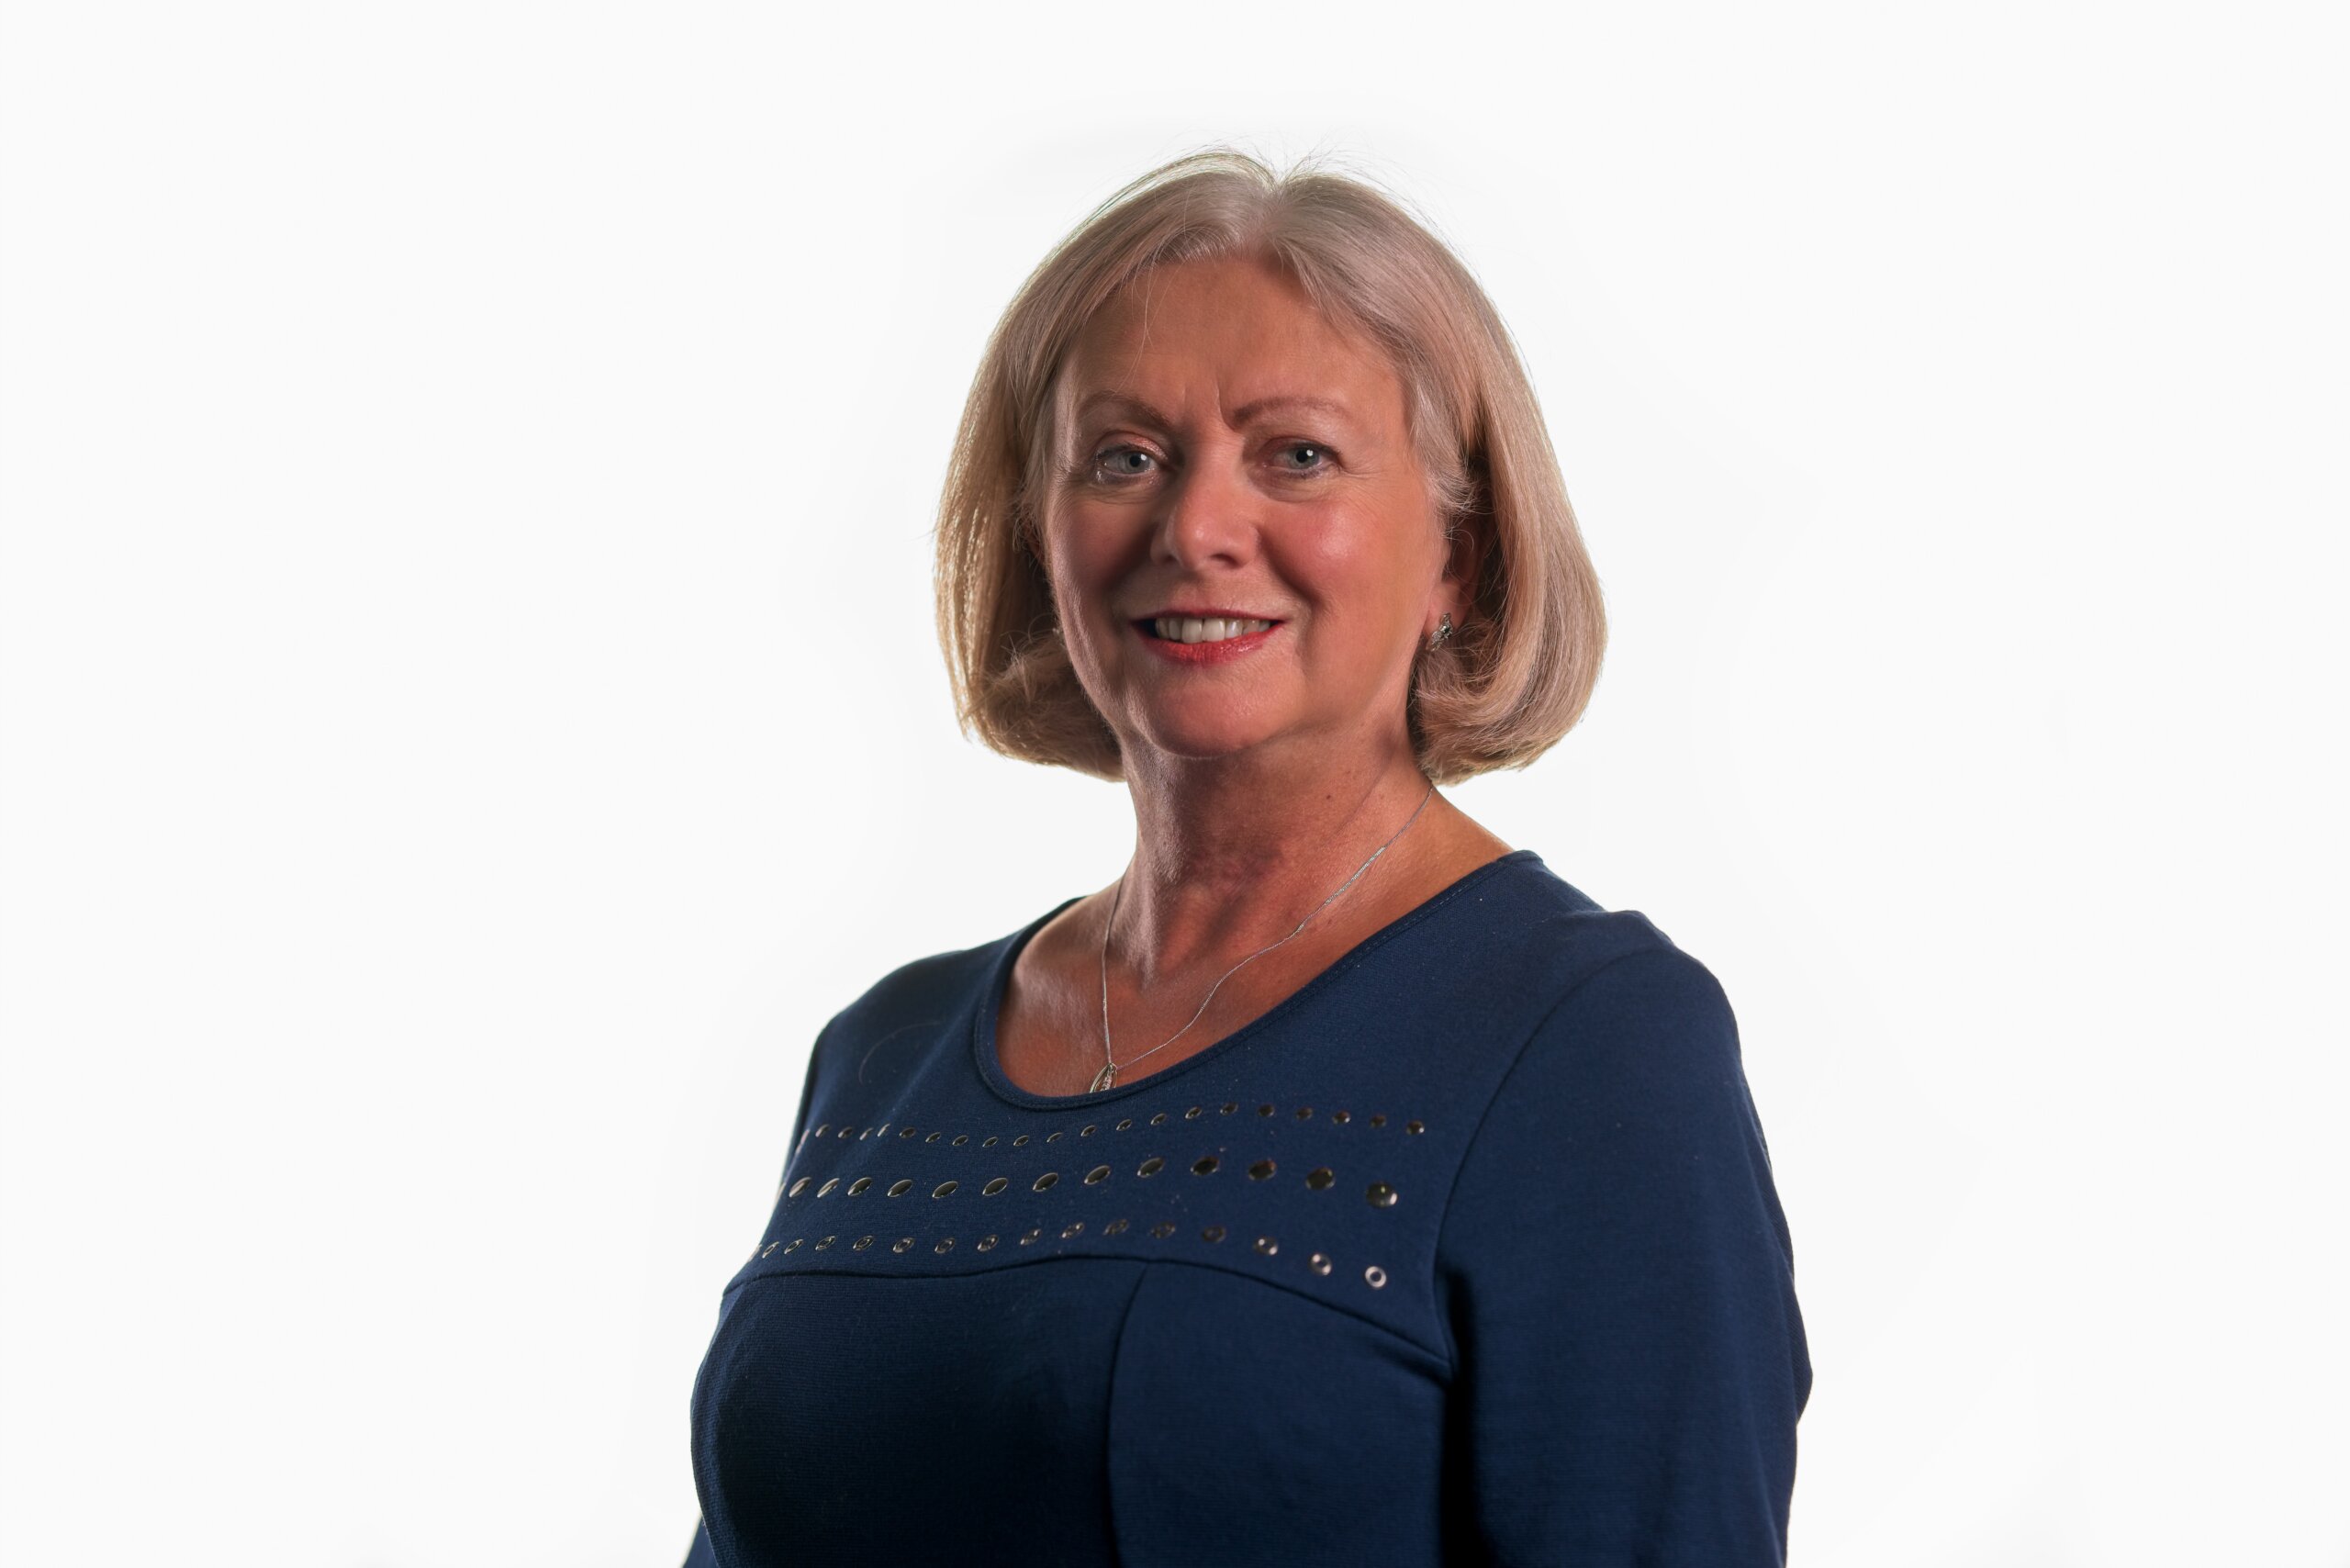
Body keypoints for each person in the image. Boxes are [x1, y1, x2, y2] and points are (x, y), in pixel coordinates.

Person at [680, 148, 1811, 1567]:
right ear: (1040, 532)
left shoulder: (1588, 1046)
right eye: (1124, 458)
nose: (1197, 528)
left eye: (1298, 456)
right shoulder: (883, 1054)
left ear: (1456, 557)